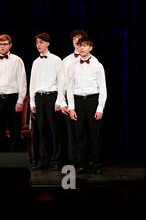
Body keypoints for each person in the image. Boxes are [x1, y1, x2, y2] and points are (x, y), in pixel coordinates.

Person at [67, 37, 107, 174]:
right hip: (78, 101)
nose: (82, 48)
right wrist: (71, 107)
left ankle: (95, 163)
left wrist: (100, 108)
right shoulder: (72, 66)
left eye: (85, 45)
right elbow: (70, 87)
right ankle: (81, 163)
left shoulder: (97, 65)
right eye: (80, 45)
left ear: (90, 47)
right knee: (80, 134)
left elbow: (103, 88)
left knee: (94, 134)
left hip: (92, 101)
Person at [0, 34, 27, 152]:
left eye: (4, 44)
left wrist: (20, 100)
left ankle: (13, 160)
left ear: (10, 45)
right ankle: (0, 159)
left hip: (12, 99)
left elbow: (22, 82)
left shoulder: (17, 60)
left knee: (14, 130)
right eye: (0, 44)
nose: (2, 46)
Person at [29, 33, 65, 171]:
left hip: (52, 97)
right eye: (37, 42)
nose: (39, 45)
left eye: (41, 42)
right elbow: (33, 83)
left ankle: (56, 160)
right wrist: (32, 102)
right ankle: (42, 159)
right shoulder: (35, 62)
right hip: (39, 98)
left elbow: (62, 81)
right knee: (41, 131)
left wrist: (59, 100)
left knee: (55, 130)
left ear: (48, 43)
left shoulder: (56, 60)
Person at [61, 29, 88, 165]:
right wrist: (62, 102)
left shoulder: (92, 60)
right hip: (69, 99)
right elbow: (62, 83)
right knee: (71, 133)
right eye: (74, 39)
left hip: (85, 99)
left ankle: (85, 160)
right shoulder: (66, 61)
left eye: (79, 39)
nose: (77, 41)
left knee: (84, 131)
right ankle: (73, 161)